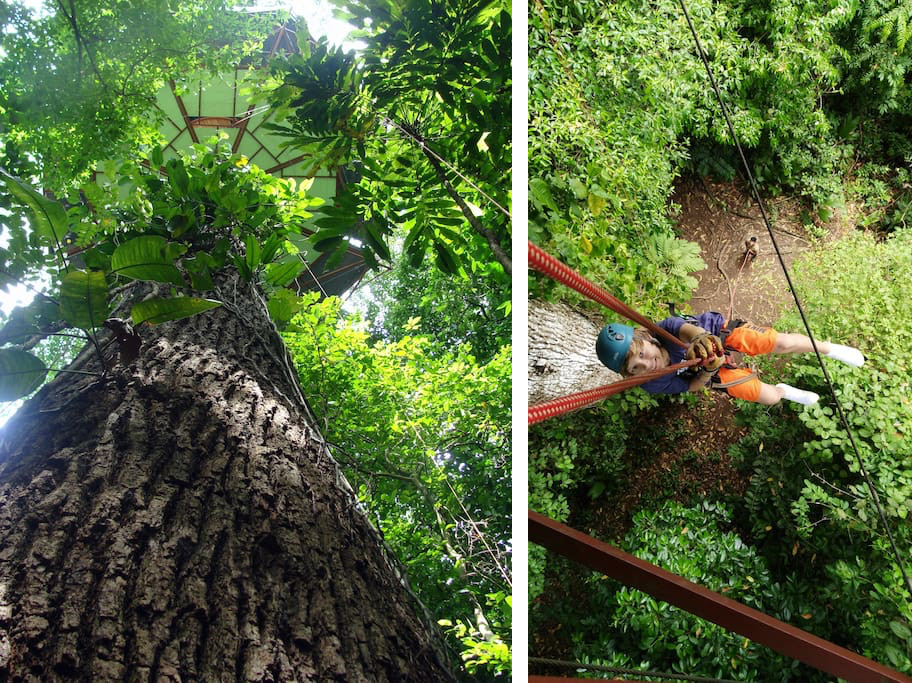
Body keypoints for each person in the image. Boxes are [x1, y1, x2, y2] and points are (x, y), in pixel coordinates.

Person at [596, 311, 864, 406]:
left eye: (642, 353)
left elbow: (686, 329)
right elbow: (692, 386)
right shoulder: (651, 383)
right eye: (636, 367)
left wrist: (703, 340)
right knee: (767, 397)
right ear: (631, 375)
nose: (647, 363)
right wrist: (709, 370)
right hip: (708, 372)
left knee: (778, 342)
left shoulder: (662, 330)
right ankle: (784, 391)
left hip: (719, 334)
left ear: (647, 338)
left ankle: (828, 348)